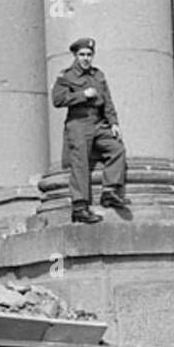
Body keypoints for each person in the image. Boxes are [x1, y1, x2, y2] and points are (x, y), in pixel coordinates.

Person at [51, 38, 130, 224]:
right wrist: (82, 95)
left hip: (98, 122)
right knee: (80, 163)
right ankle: (80, 207)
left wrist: (113, 123)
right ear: (75, 56)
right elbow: (57, 100)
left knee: (117, 149)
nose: (86, 58)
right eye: (82, 55)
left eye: (89, 55)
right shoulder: (66, 76)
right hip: (78, 122)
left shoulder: (98, 75)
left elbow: (108, 101)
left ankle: (109, 191)